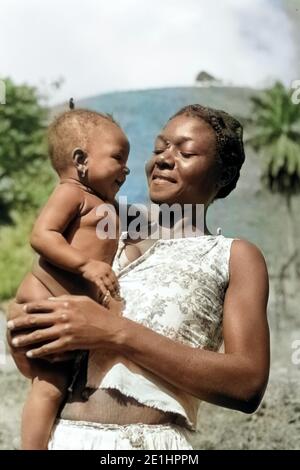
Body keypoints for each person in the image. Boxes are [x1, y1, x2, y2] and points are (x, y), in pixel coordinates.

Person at [7, 104, 270, 450]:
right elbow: (46, 288)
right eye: (159, 148)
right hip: (63, 438)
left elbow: (247, 384)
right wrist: (26, 326)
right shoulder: (104, 229)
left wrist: (116, 332)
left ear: (222, 176)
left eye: (185, 151)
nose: (163, 158)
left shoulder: (232, 256)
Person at [13, 108, 131, 449]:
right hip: (44, 297)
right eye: (117, 157)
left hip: (62, 307)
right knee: (49, 384)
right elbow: (42, 235)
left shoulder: (103, 202)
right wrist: (85, 266)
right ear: (81, 160)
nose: (126, 167)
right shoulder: (71, 193)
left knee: (62, 383)